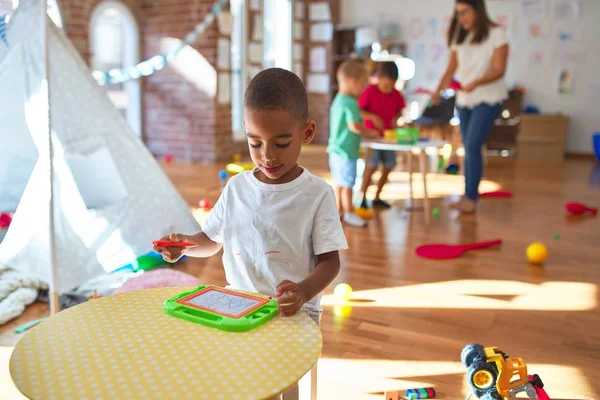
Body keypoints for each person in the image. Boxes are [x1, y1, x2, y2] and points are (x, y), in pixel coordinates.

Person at [154, 68, 348, 399]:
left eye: (282, 143)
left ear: (307, 132)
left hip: (292, 311)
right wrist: (185, 246)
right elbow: (211, 241)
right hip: (239, 304)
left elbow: (330, 264)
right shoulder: (237, 188)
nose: (268, 156)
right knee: (239, 381)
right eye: (255, 143)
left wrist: (302, 292)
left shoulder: (317, 194)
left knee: (279, 384)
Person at [433, 0, 509, 213]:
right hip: (465, 100)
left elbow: (499, 69)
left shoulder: (496, 33)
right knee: (468, 145)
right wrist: (437, 90)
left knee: (473, 144)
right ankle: (468, 194)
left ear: (478, 9)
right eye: (458, 13)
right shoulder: (460, 36)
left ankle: (471, 198)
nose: (461, 18)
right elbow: (451, 67)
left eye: (465, 12)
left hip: (488, 98)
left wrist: (476, 82)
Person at [327, 60, 379, 227]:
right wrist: (371, 132)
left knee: (340, 183)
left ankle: (339, 212)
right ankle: (349, 212)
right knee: (348, 183)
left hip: (335, 150)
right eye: (363, 85)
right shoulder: (351, 103)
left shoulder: (338, 100)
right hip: (347, 151)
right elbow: (355, 126)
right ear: (353, 81)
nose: (363, 89)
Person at [359, 61, 407, 209]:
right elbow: (360, 110)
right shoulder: (370, 91)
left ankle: (377, 197)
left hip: (389, 138)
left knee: (388, 165)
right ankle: (362, 198)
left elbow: (400, 110)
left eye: (391, 86)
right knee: (371, 166)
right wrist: (372, 117)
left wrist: (396, 118)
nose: (388, 89)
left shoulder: (397, 94)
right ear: (378, 79)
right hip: (372, 137)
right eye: (385, 85)